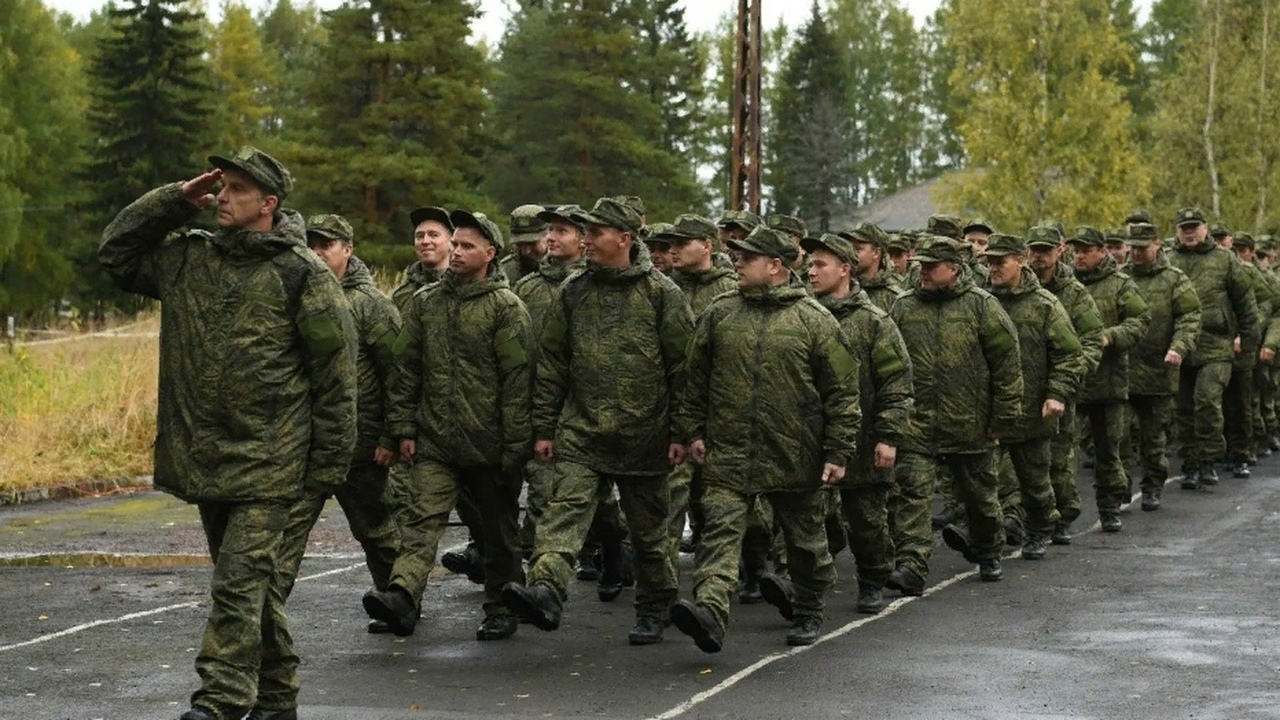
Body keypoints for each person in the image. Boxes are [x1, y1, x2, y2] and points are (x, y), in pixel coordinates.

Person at [99, 146, 357, 720]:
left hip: (273, 462)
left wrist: (326, 468)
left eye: (238, 189)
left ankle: (220, 701)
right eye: (222, 186)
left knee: (237, 586)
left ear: (268, 204)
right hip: (206, 456)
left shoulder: (301, 275)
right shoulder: (189, 261)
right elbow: (115, 254)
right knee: (251, 587)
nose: (223, 197)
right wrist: (175, 199)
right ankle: (278, 693)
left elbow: (335, 378)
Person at [502, 197, 695, 646]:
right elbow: (552, 363)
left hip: (644, 436)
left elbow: (683, 370)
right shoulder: (574, 291)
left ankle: (654, 607)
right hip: (582, 431)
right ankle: (547, 590)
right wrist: (546, 427)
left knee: (649, 536)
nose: (585, 239)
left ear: (624, 239)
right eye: (583, 232)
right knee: (561, 516)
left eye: (595, 232)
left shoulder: (662, 294)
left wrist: (682, 433)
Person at [670, 225, 860, 652]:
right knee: (718, 533)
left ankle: (808, 607)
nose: (736, 264)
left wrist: (838, 451)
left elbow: (842, 392)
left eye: (747, 258)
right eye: (736, 257)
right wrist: (693, 431)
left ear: (775, 266)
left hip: (795, 454)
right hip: (729, 452)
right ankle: (711, 614)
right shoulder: (720, 313)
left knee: (805, 543)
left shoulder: (815, 321)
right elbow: (694, 379)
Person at [363, 210, 534, 641]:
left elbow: (518, 381)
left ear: (490, 254)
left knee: (498, 531)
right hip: (436, 440)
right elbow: (405, 370)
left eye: (467, 246)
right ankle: (402, 594)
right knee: (422, 521)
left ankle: (501, 605)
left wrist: (516, 447)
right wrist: (400, 429)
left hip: (489, 445)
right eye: (454, 244)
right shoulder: (425, 304)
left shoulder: (506, 308)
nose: (456, 252)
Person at [888, 236, 1023, 588]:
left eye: (932, 267)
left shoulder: (982, 306)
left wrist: (1003, 417)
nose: (924, 273)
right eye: (922, 266)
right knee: (912, 496)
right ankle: (912, 566)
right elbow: (887, 364)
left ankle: (988, 550)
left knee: (980, 498)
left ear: (955, 269)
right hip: (917, 424)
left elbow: (1007, 364)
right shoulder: (903, 307)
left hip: (970, 423)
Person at [291, 214, 402, 634]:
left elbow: (399, 374)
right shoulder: (300, 297)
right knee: (287, 532)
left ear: (347, 250)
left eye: (326, 245)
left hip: (362, 443)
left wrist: (392, 435)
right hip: (307, 443)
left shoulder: (372, 305)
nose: (317, 252)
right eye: (312, 244)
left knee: (376, 530)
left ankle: (397, 599)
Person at [798, 232, 912, 613]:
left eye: (820, 265)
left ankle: (872, 577)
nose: (810, 272)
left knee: (866, 522)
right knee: (806, 518)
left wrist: (888, 436)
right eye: (809, 264)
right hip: (810, 439)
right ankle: (804, 587)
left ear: (845, 269)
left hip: (862, 441)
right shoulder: (799, 314)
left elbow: (896, 383)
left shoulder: (874, 323)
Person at [977, 233, 1085, 559]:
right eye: (989, 262)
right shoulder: (980, 301)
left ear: (1020, 260)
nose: (993, 268)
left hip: (1032, 408)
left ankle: (1039, 528)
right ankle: (990, 537)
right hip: (989, 410)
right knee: (985, 479)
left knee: (1035, 480)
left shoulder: (1045, 305)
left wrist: (1057, 394)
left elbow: (1070, 354)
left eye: (1000, 262)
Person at [1168, 208, 1258, 489]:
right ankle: (1191, 463)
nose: (1190, 232)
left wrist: (1248, 340)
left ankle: (1210, 459)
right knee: (1183, 408)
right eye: (1185, 228)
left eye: (1195, 227)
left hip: (1217, 344)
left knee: (1206, 400)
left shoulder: (1225, 259)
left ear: (1205, 228)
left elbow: (1245, 302)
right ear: (1177, 231)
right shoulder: (1169, 261)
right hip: (1181, 345)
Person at [1068, 226, 1150, 532]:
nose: (1078, 256)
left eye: (1085, 251)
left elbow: (1141, 320)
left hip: (1109, 382)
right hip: (1073, 382)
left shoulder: (1120, 284)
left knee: (1109, 450)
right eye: (1075, 251)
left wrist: (1111, 336)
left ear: (1102, 252)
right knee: (1065, 451)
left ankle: (1110, 506)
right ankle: (1061, 513)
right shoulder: (1066, 285)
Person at [1027, 225, 1104, 543]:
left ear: (1059, 251)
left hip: (1061, 387)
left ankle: (1064, 512)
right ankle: (1032, 519)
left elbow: (1091, 339)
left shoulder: (1074, 293)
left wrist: (1071, 375)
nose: (1039, 258)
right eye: (1034, 251)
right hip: (1024, 388)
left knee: (1059, 457)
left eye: (1045, 251)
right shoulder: (1017, 288)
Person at [1124, 223, 1201, 511]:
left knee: (1153, 436)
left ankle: (1152, 486)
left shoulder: (1174, 280)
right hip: (1123, 370)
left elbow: (1190, 316)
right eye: (1132, 248)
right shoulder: (1120, 278)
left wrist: (1179, 347)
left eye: (1142, 248)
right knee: (1118, 434)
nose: (1136, 253)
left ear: (1157, 245)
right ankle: (1118, 488)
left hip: (1159, 370)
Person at [499, 204, 548, 285]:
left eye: (532, 243)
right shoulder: (504, 272)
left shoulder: (566, 265)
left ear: (548, 235)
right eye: (519, 245)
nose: (526, 251)